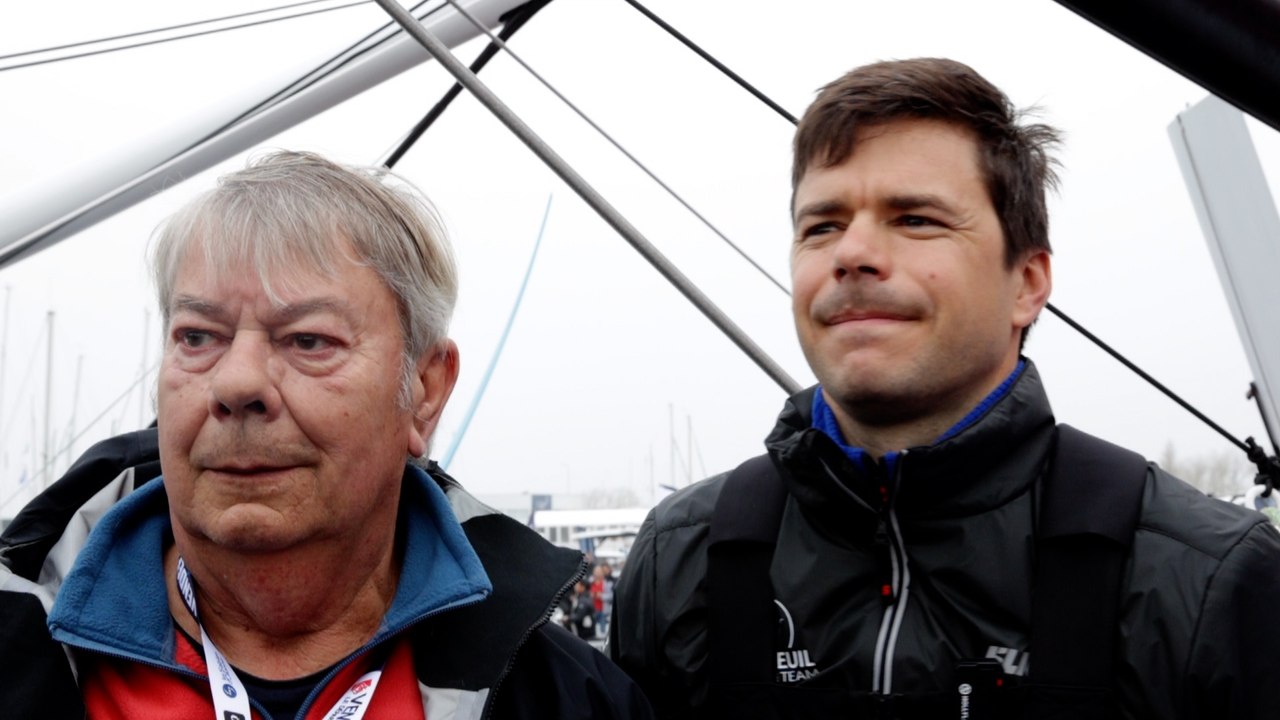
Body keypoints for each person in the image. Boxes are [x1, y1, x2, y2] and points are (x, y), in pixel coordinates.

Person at [608, 58, 1280, 719]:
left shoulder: (1207, 580)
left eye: (915, 219)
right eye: (822, 226)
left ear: (1027, 283)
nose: (851, 254)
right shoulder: (682, 559)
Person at [0, 151, 651, 719]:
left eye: (308, 340)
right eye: (197, 336)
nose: (237, 382)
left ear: (425, 389)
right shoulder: (18, 651)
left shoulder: (571, 698)